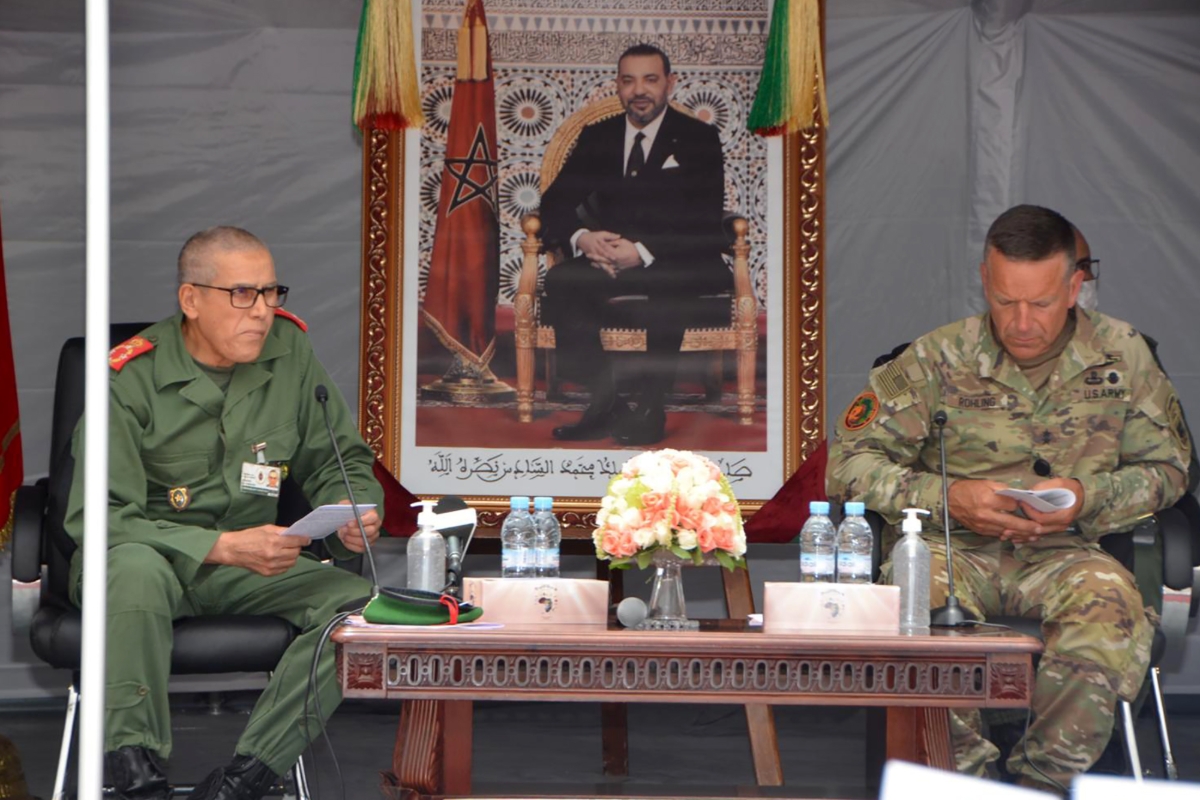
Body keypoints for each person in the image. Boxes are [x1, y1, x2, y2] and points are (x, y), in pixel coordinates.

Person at [827, 205, 1191, 794]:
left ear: (1075, 285)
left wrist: (1087, 496)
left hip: (1067, 552)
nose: (1022, 322)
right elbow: (846, 465)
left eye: (1041, 303)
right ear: (984, 280)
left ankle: (1042, 784)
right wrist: (950, 497)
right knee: (918, 601)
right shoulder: (935, 358)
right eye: (1005, 301)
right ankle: (964, 783)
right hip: (955, 549)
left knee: (1110, 605)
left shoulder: (1125, 357)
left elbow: (1171, 470)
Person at [64, 227, 384, 800]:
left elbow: (340, 457)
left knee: (361, 609)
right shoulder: (127, 378)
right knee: (134, 568)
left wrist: (349, 510)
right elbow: (99, 517)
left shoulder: (290, 354)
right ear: (191, 300)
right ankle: (136, 777)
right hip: (149, 563)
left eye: (270, 292)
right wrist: (221, 547)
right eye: (242, 294)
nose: (261, 312)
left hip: (250, 567)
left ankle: (247, 778)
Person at [539, 43, 730, 446]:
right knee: (561, 282)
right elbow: (553, 202)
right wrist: (584, 239)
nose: (639, 90)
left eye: (650, 79)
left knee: (670, 285)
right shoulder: (599, 137)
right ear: (618, 86)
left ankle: (650, 406)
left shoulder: (698, 137)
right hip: (607, 257)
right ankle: (606, 401)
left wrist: (641, 252)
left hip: (678, 256)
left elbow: (703, 217)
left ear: (669, 84)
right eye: (629, 80)